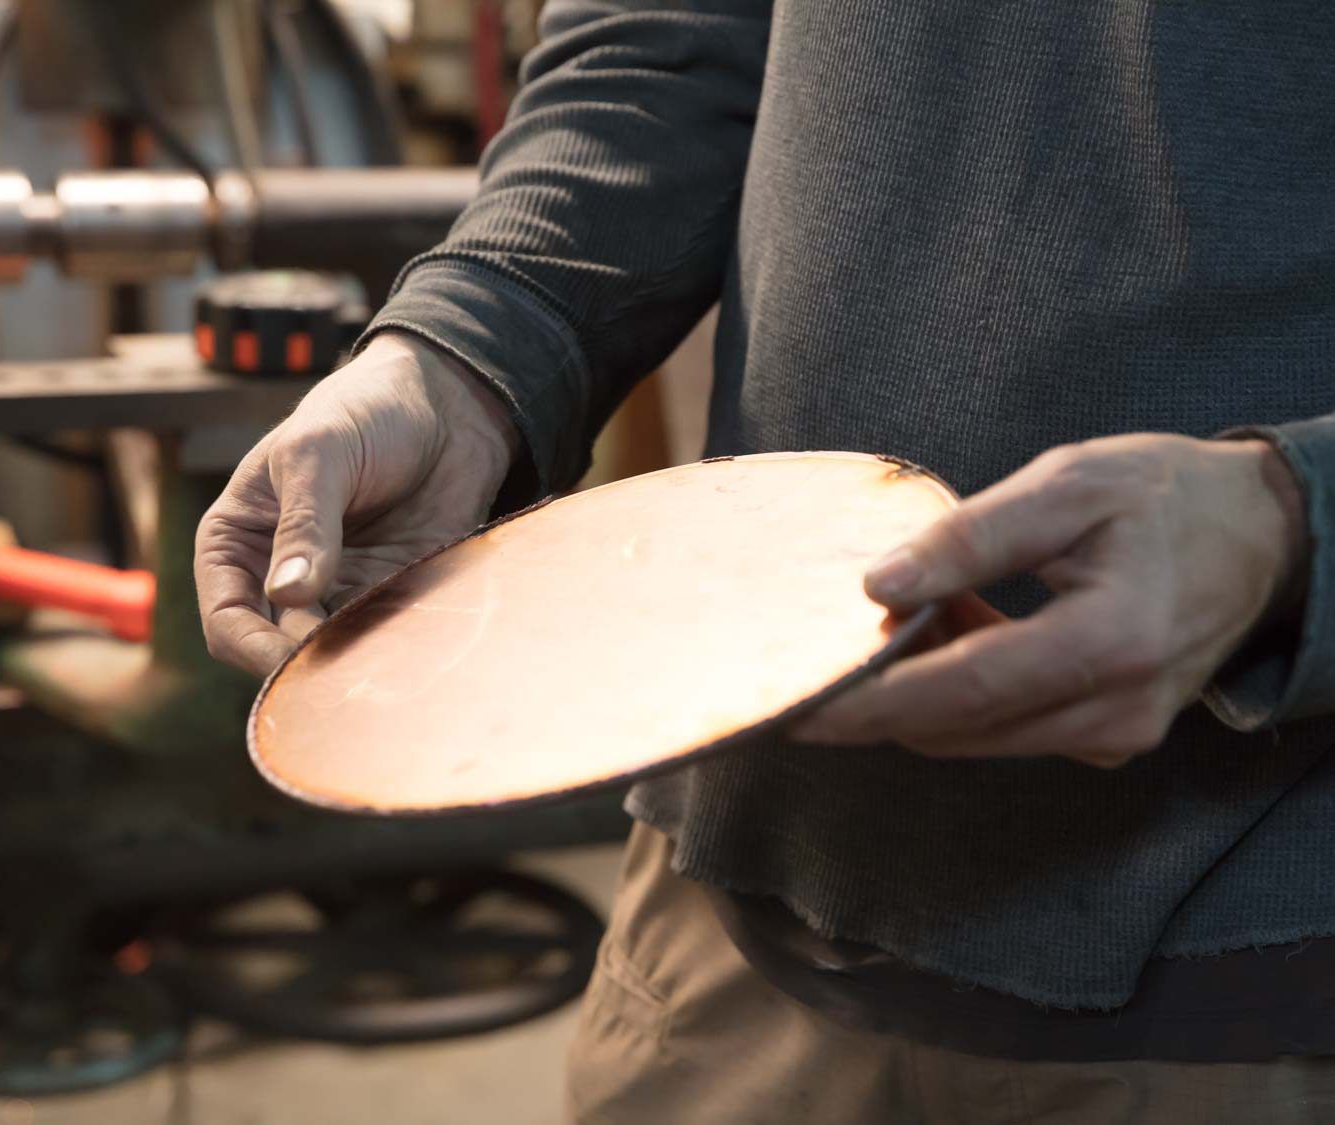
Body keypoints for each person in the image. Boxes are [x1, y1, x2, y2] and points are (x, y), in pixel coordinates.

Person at [194, 2, 1335, 1121]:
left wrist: (1295, 523)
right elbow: (672, 38)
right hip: (736, 884)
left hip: (1258, 984)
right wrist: (475, 346)